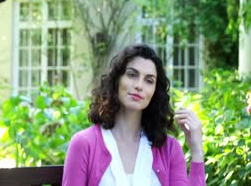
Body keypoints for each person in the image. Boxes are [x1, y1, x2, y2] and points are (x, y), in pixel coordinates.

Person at [62, 44, 205, 186]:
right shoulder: (84, 144)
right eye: (132, 75)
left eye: (149, 81)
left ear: (155, 91)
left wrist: (197, 151)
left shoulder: (169, 148)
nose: (139, 85)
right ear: (117, 80)